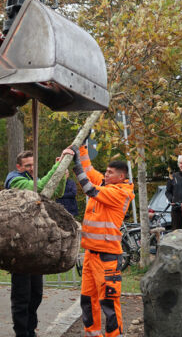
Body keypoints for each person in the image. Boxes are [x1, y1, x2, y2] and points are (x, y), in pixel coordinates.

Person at [68, 144, 135, 337]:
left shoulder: (120, 193)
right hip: (91, 254)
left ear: (121, 177)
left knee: (108, 302)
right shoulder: (108, 184)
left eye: (110, 172)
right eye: (105, 171)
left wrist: (75, 164)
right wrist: (80, 149)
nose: (105, 175)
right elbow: (89, 172)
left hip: (107, 257)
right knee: (88, 299)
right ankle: (92, 333)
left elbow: (89, 188)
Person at [4, 149, 71, 337]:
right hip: (20, 244)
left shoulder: (32, 177)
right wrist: (56, 167)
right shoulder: (15, 180)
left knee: (36, 294)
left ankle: (30, 329)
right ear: (19, 167)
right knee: (22, 295)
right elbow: (39, 188)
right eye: (28, 166)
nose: (32, 168)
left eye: (34, 165)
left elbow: (55, 192)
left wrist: (62, 175)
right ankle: (21, 333)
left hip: (36, 243)